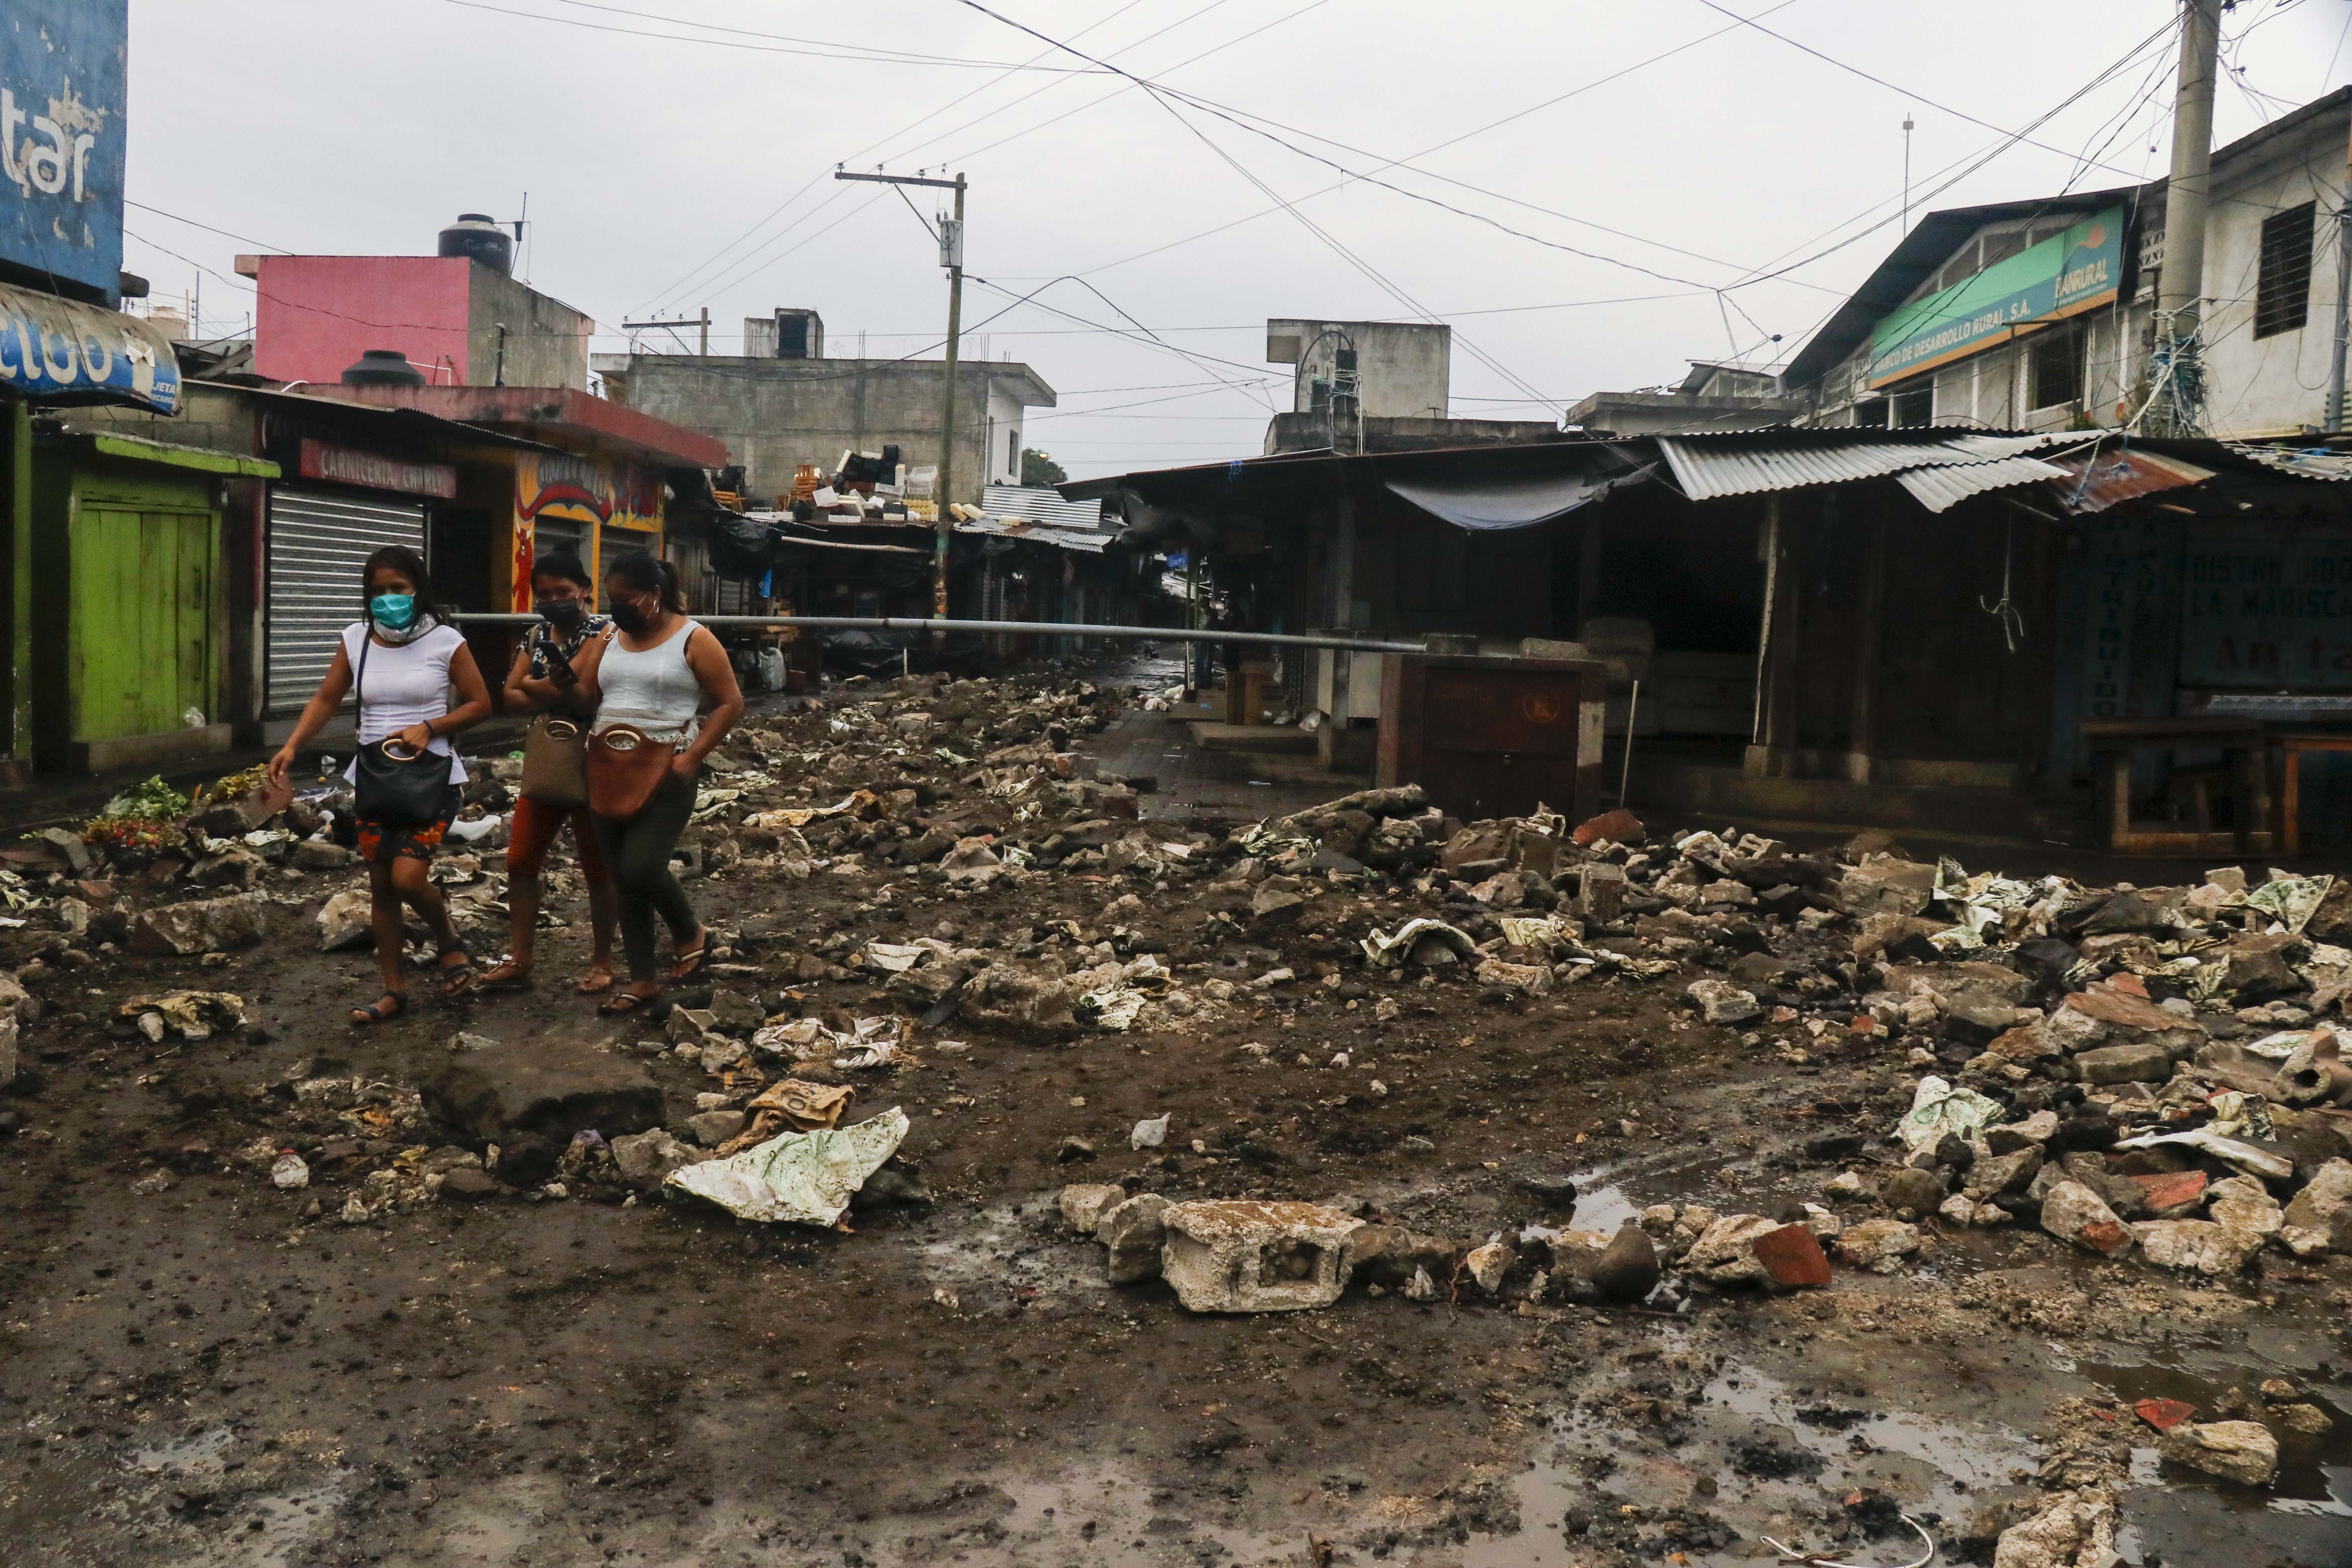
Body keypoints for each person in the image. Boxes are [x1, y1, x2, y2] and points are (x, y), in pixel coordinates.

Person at [268, 544, 491, 1025]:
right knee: (381, 887)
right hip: (375, 776)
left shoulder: (446, 640)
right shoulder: (356, 639)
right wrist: (291, 746)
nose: (387, 599)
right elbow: (328, 697)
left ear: (418, 589)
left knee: (407, 877)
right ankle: (393, 991)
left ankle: (448, 936)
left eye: (398, 589)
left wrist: (430, 727)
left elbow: (481, 703)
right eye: (377, 591)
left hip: (432, 778)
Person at [570, 550, 744, 1016]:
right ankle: (642, 979)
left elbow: (730, 702)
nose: (617, 607)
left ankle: (690, 932)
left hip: (667, 767)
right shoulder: (609, 634)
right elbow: (587, 694)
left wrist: (693, 757)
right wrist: (560, 678)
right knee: (622, 879)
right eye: (611, 599)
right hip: (607, 766)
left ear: (655, 595)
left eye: (625, 599)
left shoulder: (694, 638)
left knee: (642, 867)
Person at [474, 550, 620, 995]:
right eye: (545, 593)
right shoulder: (537, 633)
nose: (555, 599)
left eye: (563, 591)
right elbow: (509, 699)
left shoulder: (605, 631)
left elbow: (586, 697)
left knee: (598, 866)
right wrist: (551, 686)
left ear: (584, 590)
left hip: (595, 757)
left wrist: (537, 689)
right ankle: (520, 959)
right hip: (548, 757)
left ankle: (601, 961)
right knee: (520, 861)